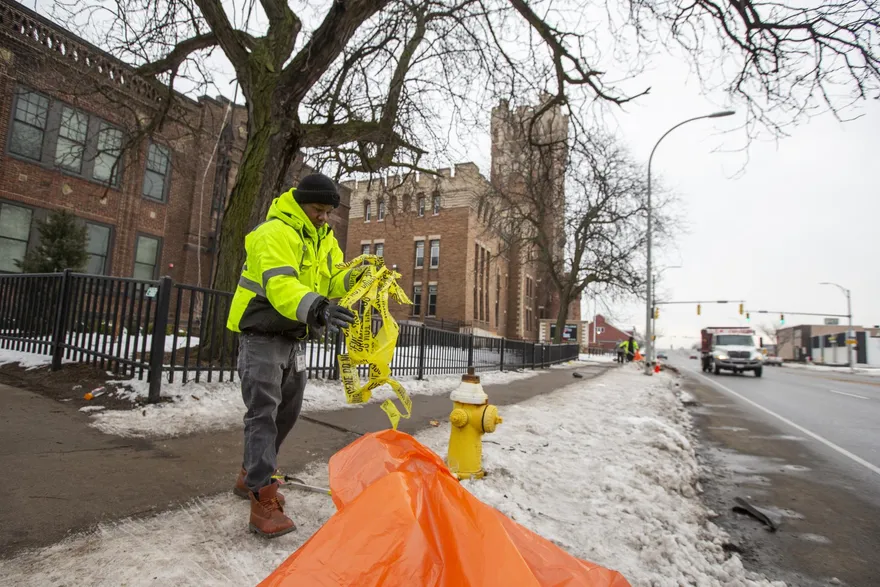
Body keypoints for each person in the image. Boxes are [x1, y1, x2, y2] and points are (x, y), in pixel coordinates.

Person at [226, 173, 358, 538]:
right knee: (263, 413)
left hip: (292, 336)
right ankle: (262, 498)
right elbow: (281, 284)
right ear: (302, 203)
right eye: (319, 209)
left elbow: (332, 280)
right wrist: (318, 308)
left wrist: (359, 277)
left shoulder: (323, 240)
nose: (325, 218)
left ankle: (249, 472)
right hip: (262, 333)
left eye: (330, 212)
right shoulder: (273, 233)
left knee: (288, 410)